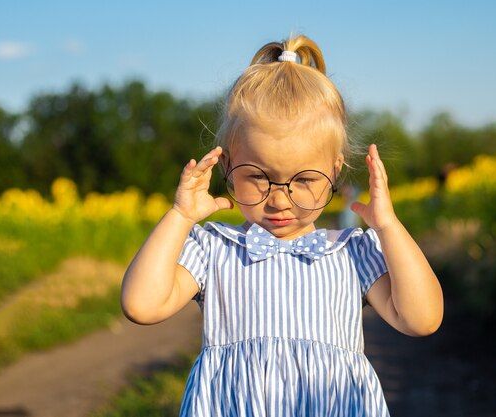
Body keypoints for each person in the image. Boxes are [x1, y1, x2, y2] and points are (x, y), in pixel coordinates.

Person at [121, 35, 443, 416]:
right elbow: (141, 305)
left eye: (303, 180)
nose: (278, 199)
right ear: (226, 167)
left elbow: (422, 319)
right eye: (257, 175)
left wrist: (389, 227)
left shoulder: (353, 252)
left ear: (334, 172)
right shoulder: (214, 248)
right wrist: (180, 216)